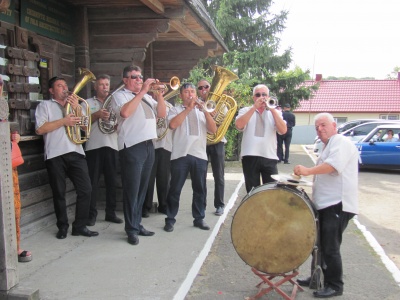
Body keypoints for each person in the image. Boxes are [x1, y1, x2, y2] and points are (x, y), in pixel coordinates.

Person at [294, 112, 358, 298]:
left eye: (323, 125)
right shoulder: (327, 145)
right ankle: (317, 277)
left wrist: (307, 170)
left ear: (334, 125)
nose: (320, 129)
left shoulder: (340, 142)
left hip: (338, 204)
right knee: (319, 245)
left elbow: (332, 167)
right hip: (326, 204)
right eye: (317, 127)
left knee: (330, 247)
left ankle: (335, 285)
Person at [35, 76, 98, 239]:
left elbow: (86, 127)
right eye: (59, 86)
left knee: (86, 189)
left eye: (65, 85)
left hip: (76, 152)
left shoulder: (76, 105)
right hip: (55, 154)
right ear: (51, 90)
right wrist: (64, 121)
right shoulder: (45, 106)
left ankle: (80, 226)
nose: (64, 88)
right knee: (59, 192)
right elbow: (40, 129)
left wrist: (77, 108)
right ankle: (62, 226)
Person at [111, 65, 166, 245]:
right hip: (132, 146)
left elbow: (162, 114)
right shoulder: (119, 96)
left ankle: (137, 223)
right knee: (132, 190)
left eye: (140, 77)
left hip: (149, 144)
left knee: (142, 189)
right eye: (134, 77)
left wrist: (159, 96)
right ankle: (131, 229)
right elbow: (125, 113)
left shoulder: (148, 98)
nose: (139, 79)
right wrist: (143, 91)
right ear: (126, 80)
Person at [163, 83, 217, 232]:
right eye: (186, 92)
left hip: (199, 154)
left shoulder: (201, 111)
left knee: (200, 189)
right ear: (181, 96)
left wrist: (206, 111)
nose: (190, 94)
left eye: (192, 91)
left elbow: (213, 130)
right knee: (175, 189)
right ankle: (170, 219)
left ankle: (199, 218)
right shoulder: (175, 109)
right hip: (180, 154)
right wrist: (188, 109)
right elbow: (173, 125)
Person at [84, 74, 123, 226]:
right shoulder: (87, 103)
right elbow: (82, 124)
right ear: (95, 87)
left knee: (111, 182)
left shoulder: (115, 103)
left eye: (107, 84)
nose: (105, 87)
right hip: (94, 146)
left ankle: (110, 213)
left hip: (112, 146)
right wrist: (96, 115)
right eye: (101, 84)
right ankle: (91, 214)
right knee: (92, 183)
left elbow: (122, 120)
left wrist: (116, 125)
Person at [235, 84, 287, 193]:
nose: (261, 97)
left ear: (268, 96)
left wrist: (272, 109)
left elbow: (283, 130)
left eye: (264, 94)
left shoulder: (276, 112)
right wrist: (254, 107)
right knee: (252, 192)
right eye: (258, 95)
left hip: (270, 156)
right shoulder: (245, 110)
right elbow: (239, 125)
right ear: (253, 97)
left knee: (271, 192)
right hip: (250, 156)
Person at [197, 79, 225, 216]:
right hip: (202, 142)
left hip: (217, 142)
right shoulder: (195, 104)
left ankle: (219, 204)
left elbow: (224, 121)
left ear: (210, 88)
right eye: (200, 88)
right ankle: (201, 205)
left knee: (218, 175)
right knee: (201, 176)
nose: (204, 89)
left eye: (206, 87)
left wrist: (213, 114)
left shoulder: (220, 103)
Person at [142, 100, 173, 217]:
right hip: (150, 144)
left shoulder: (170, 106)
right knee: (148, 178)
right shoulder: (147, 103)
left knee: (164, 178)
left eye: (161, 89)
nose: (159, 92)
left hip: (165, 144)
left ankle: (164, 205)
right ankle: (145, 206)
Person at [10, 131, 32, 262]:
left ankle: (15, 247)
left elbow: (12, 130)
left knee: (14, 207)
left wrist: (15, 137)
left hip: (7, 165)